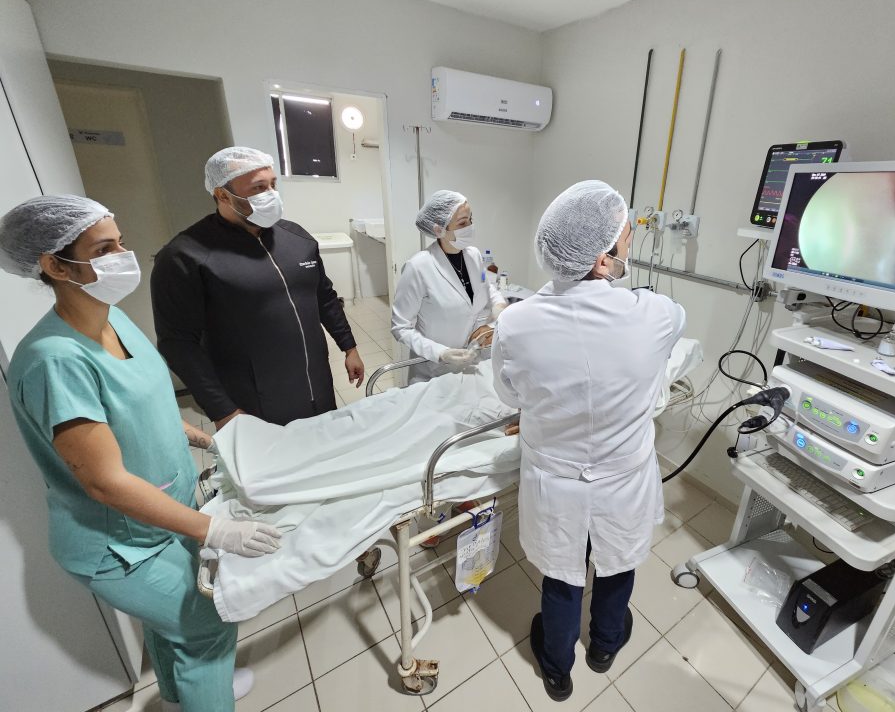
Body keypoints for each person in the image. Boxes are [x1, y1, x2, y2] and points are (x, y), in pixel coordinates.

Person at [0, 195, 282, 712]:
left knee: (176, 628)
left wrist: (209, 440)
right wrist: (216, 530)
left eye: (120, 242)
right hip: (118, 545)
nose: (122, 257)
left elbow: (145, 405)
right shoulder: (55, 361)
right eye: (103, 249)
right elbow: (104, 481)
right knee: (207, 625)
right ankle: (203, 689)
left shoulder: (114, 321)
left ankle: (178, 696)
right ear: (55, 266)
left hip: (162, 519)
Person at [491, 180, 686, 701]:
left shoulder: (515, 324)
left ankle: (558, 669)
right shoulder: (655, 313)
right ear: (603, 260)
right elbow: (672, 331)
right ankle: (604, 646)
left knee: (562, 575)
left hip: (555, 481)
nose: (630, 248)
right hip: (623, 478)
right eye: (625, 241)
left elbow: (509, 393)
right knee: (617, 564)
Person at [151, 147, 364, 429]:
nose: (271, 194)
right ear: (223, 195)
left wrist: (348, 346)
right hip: (251, 399)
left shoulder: (296, 238)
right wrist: (222, 409)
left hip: (316, 383)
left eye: (273, 184)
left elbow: (323, 296)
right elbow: (177, 343)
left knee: (324, 443)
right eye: (258, 188)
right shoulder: (186, 256)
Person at [391, 190, 507, 384]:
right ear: (439, 230)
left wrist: (498, 307)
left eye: (471, 220)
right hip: (433, 372)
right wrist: (440, 353)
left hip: (473, 364)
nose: (470, 227)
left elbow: (487, 286)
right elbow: (400, 327)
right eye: (462, 223)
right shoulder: (418, 267)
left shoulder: (474, 256)